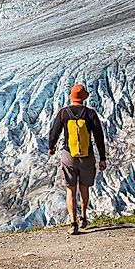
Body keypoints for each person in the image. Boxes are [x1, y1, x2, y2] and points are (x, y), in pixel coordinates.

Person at [48, 83, 108, 235]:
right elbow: (99, 136)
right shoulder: (90, 114)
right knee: (84, 188)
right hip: (87, 157)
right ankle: (83, 217)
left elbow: (54, 132)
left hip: (69, 156)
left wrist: (52, 146)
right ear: (84, 98)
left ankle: (73, 223)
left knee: (70, 190)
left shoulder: (64, 113)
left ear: (72, 97)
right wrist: (102, 158)